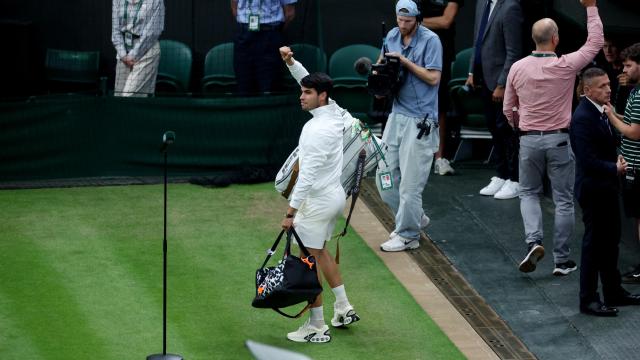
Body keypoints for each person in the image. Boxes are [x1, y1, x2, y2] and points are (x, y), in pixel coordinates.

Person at [503, 0, 603, 276]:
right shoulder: (566, 65)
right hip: (559, 140)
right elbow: (595, 42)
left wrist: (519, 127)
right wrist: (591, 7)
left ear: (534, 39)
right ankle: (561, 260)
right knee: (563, 200)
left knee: (528, 193)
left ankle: (534, 241)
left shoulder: (517, 68)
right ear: (556, 39)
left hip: (528, 140)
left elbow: (508, 107)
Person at [278, 46, 360, 344]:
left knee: (306, 264)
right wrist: (291, 63)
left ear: (321, 96)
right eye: (302, 92)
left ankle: (317, 327)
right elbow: (308, 81)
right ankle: (343, 307)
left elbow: (307, 176)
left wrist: (290, 213)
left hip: (317, 202)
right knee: (319, 252)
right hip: (333, 198)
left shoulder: (316, 130)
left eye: (307, 93)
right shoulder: (335, 112)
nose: (302, 96)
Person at [570, 67, 640, 316]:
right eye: (602, 86)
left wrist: (615, 162)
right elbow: (587, 161)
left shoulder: (601, 112)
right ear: (587, 90)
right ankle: (588, 299)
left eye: (608, 84)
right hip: (594, 191)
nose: (608, 89)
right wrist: (615, 167)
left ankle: (614, 291)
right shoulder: (583, 118)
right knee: (594, 246)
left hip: (608, 189)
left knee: (611, 243)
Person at [375, 0, 442, 252]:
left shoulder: (431, 40)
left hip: (421, 119)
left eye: (408, 21)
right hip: (396, 115)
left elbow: (433, 78)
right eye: (399, 20)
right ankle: (415, 217)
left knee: (410, 184)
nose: (402, 25)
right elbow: (382, 65)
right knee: (384, 179)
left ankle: (408, 235)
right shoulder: (391, 36)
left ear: (418, 19)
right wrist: (379, 78)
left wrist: (404, 61)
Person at [467, 0, 522, 200]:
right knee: (493, 127)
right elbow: (478, 39)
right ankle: (501, 174)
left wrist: (502, 84)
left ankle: (515, 179)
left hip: (500, 82)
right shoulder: (482, 3)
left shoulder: (511, 7)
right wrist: (472, 70)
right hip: (483, 78)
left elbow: (513, 52)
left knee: (507, 130)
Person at [603, 43, 640, 284]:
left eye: (628, 65)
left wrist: (609, 117)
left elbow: (634, 132)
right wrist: (613, 112)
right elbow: (628, 119)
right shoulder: (635, 91)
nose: (624, 70)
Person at [422, 0, 463, 176]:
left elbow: (446, 21)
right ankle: (412, 156)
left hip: (441, 54)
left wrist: (417, 21)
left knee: (440, 106)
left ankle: (439, 159)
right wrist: (413, 20)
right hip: (416, 52)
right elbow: (402, 17)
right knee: (411, 103)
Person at [231, 0, 296, 94]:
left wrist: (275, 32)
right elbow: (234, 7)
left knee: (270, 85)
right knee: (244, 84)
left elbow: (289, 13)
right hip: (245, 36)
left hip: (270, 35)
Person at [112, 0, 165, 97]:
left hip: (146, 50)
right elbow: (115, 30)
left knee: (129, 97)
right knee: (118, 97)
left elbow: (153, 32)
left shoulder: (155, 1)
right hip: (123, 51)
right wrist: (123, 54)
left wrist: (133, 54)